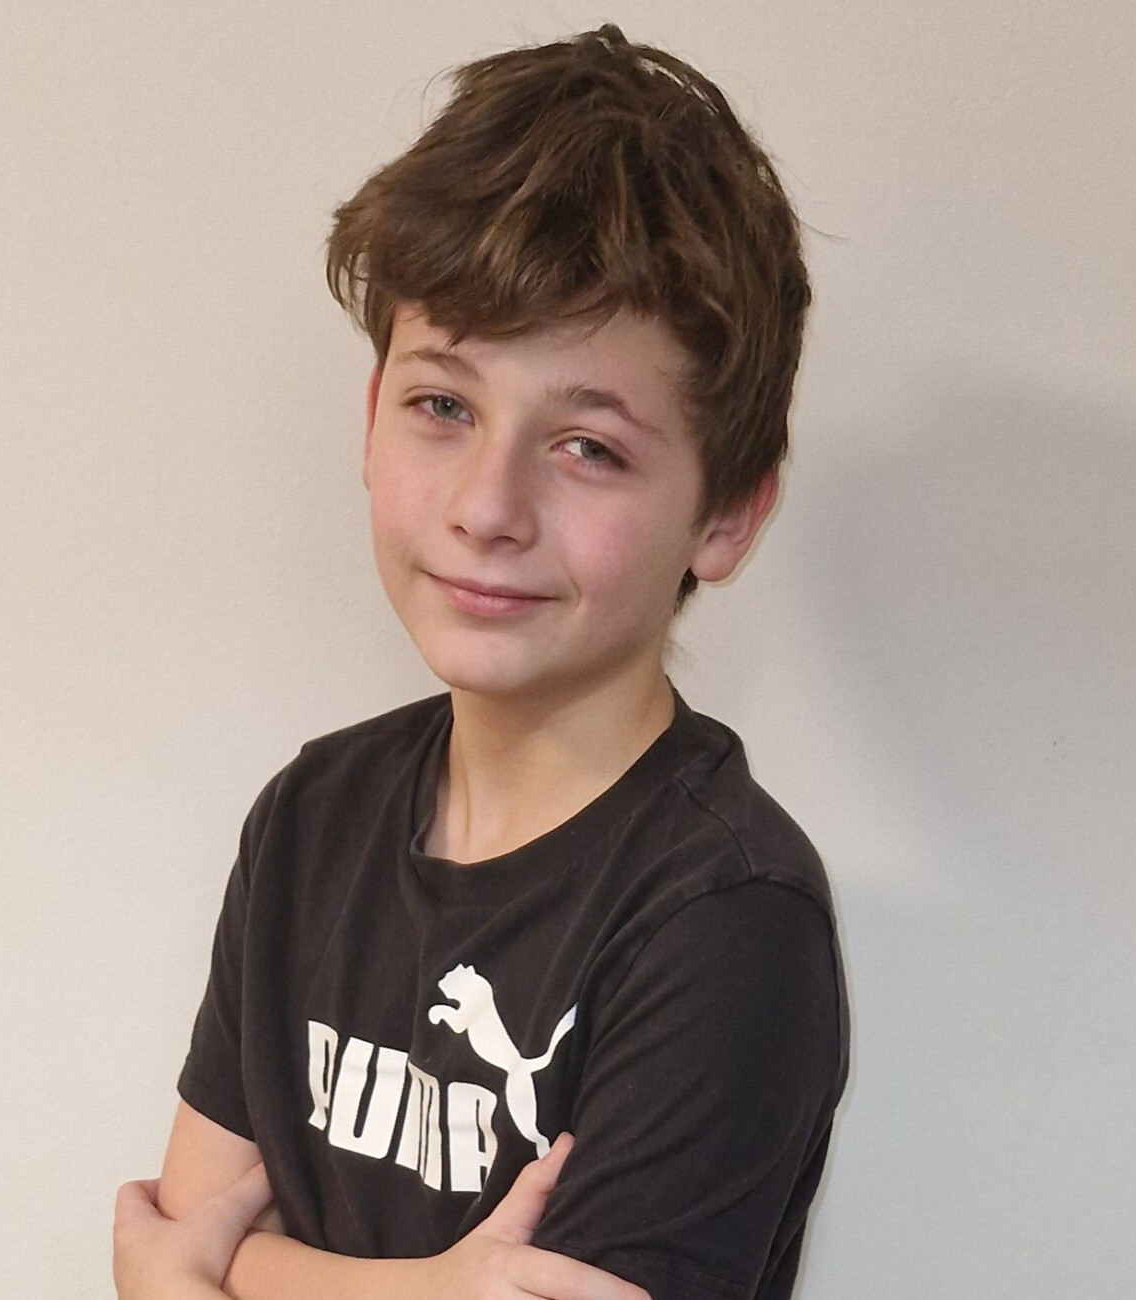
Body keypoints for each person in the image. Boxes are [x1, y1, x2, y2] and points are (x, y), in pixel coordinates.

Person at [114, 24, 848, 1300]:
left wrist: (226, 1279)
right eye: (443, 405)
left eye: (588, 447)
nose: (486, 506)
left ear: (726, 514)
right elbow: (180, 1225)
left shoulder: (725, 919)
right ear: (371, 417)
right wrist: (432, 1289)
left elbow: (176, 1266)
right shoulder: (310, 817)